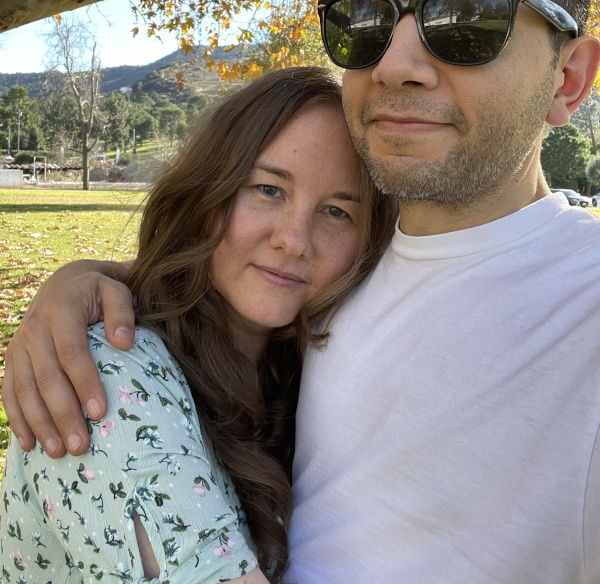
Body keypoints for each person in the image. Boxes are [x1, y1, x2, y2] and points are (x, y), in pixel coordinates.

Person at [3, 0, 600, 584]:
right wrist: (95, 284)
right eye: (368, 21)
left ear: (569, 80)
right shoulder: (346, 271)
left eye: (467, 19)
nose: (397, 65)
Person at [0, 66, 396, 583]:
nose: (294, 240)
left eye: (337, 212)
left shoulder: (303, 371)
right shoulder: (113, 375)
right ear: (207, 195)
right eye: (268, 189)